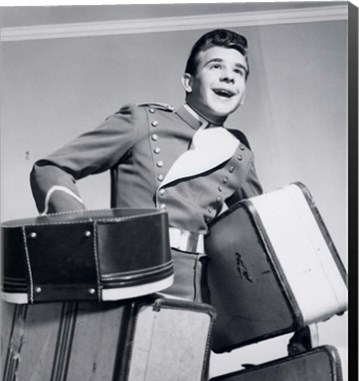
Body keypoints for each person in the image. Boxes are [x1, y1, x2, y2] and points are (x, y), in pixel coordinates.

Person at [30, 28, 263, 301]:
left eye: (239, 71)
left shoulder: (239, 152)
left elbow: (261, 233)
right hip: (130, 274)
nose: (228, 76)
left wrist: (300, 317)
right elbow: (50, 169)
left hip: (194, 289)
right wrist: (83, 240)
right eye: (215, 66)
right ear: (188, 82)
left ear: (243, 93)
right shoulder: (142, 120)